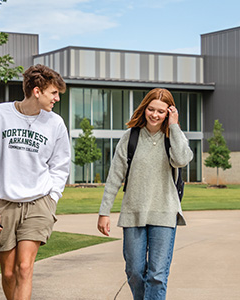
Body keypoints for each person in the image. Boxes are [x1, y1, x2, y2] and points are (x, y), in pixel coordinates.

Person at [0, 64, 70, 300]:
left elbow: (61, 165)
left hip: (39, 203)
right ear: (37, 91)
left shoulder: (55, 123)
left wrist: (53, 197)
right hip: (4, 204)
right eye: (54, 93)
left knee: (25, 267)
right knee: (9, 273)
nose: (57, 99)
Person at [97, 88, 194, 300]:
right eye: (151, 109)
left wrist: (174, 126)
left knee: (157, 275)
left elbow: (182, 159)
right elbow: (114, 177)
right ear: (144, 108)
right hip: (134, 213)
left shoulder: (173, 137)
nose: (155, 115)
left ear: (168, 113)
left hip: (165, 213)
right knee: (134, 271)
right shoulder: (130, 137)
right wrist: (104, 212)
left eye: (161, 111)